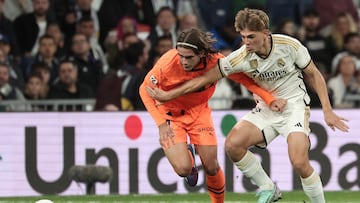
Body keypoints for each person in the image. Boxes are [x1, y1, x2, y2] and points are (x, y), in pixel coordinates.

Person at [146, 8, 349, 203]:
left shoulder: (290, 45)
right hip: (266, 109)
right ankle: (268, 188)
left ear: (265, 33)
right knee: (233, 145)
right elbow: (204, 79)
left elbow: (313, 73)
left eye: (251, 37)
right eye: (243, 37)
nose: (246, 42)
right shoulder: (241, 56)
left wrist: (327, 110)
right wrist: (169, 94)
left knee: (299, 162)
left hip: (294, 106)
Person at [139, 27, 286, 203]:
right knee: (183, 169)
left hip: (199, 113)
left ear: (201, 53)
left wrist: (268, 99)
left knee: (211, 166)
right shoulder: (167, 64)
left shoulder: (216, 62)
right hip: (170, 115)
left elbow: (243, 78)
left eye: (189, 57)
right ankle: (189, 157)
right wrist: (161, 124)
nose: (183, 61)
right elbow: (144, 90)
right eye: (180, 55)